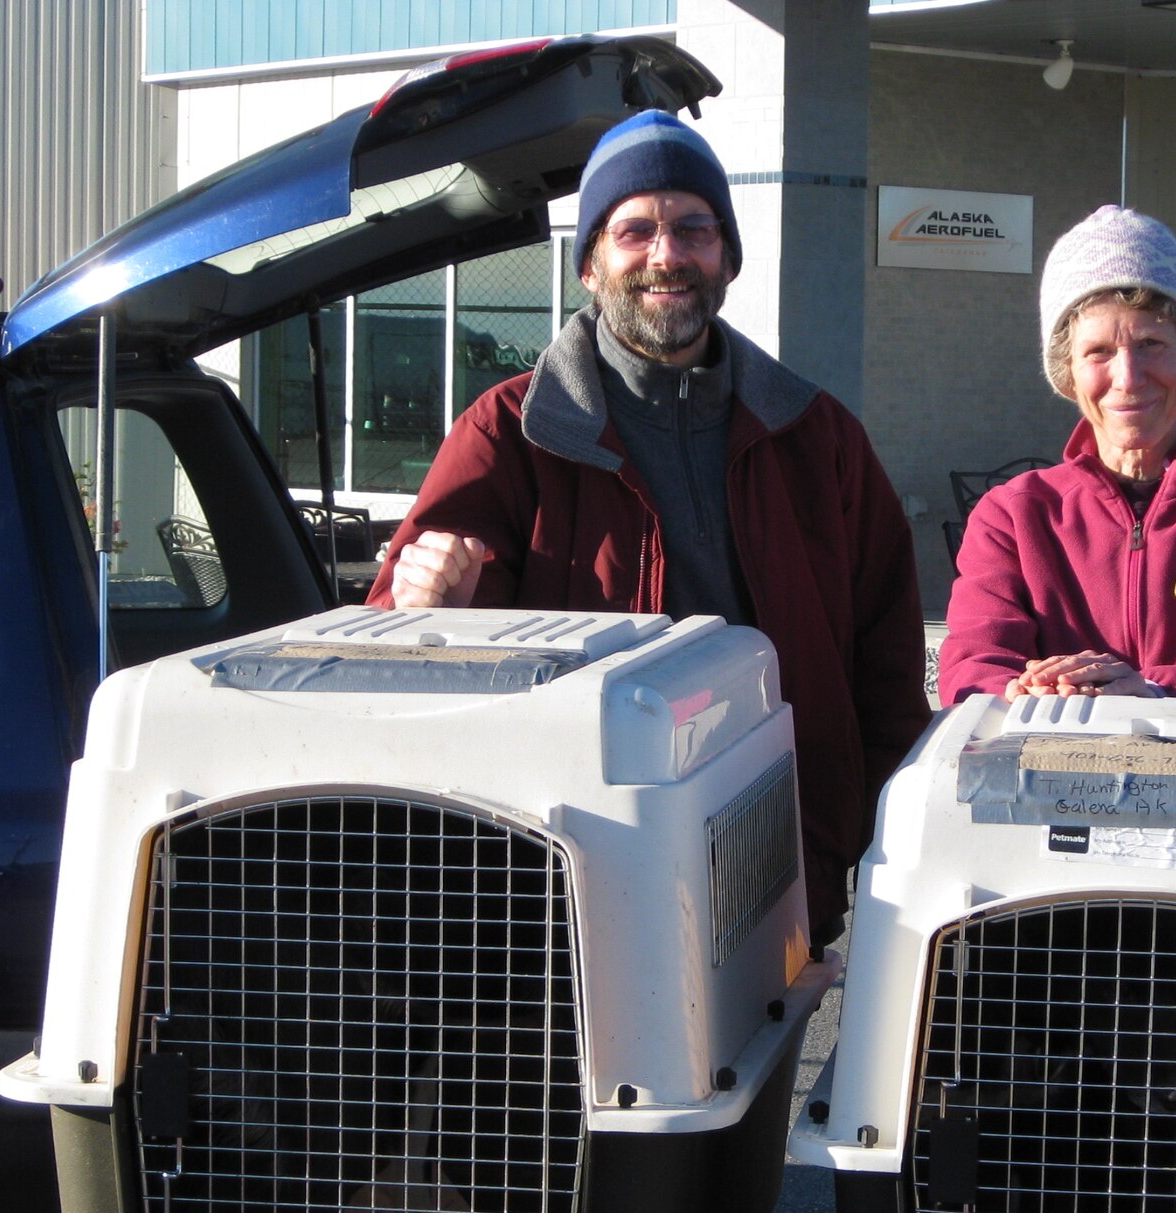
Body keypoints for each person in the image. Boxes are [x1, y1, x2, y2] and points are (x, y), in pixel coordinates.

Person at [368, 110, 929, 947]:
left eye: (693, 228)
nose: (666, 254)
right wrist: (421, 606)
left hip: (778, 868)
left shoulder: (819, 437)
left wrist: (879, 851)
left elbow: (885, 674)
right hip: (568, 875)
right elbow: (397, 654)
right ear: (591, 264)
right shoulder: (509, 431)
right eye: (635, 230)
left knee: (755, 1080)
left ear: (727, 257)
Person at [937, 206, 1176, 709]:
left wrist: (1152, 694)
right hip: (1048, 776)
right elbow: (974, 662)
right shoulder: (1011, 516)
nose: (1128, 377)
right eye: (1098, 351)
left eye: (1150, 343)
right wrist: (1020, 693)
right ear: (1067, 373)